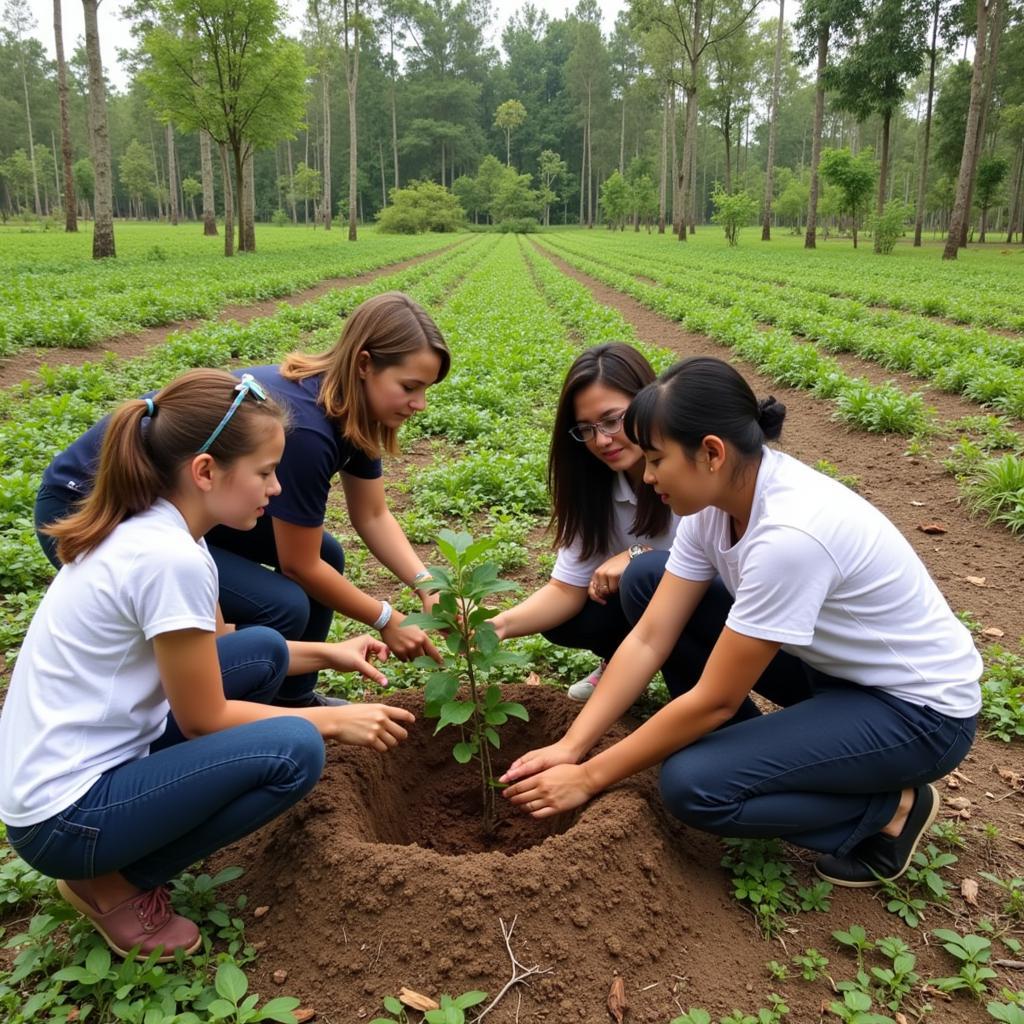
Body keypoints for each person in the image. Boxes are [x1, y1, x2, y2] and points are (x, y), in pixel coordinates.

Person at [501, 356, 981, 888]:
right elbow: (650, 636)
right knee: (648, 578)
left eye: (657, 459)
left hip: (917, 714)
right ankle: (760, 759)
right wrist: (571, 746)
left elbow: (715, 699)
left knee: (692, 785)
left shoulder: (790, 537)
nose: (648, 474)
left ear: (711, 452)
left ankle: (891, 810)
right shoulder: (713, 504)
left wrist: (588, 777)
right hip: (838, 678)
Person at [0, 369, 416, 962]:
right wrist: (330, 723)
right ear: (204, 471)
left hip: (82, 764)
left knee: (265, 647)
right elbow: (203, 718)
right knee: (294, 751)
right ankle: (112, 885)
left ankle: (118, 850)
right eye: (265, 473)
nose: (275, 489)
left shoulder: (168, 532)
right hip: (64, 819)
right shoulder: (170, 560)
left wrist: (329, 654)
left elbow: (211, 652)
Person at [34, 291, 450, 707]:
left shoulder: (352, 408)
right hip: (88, 503)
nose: (420, 404)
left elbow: (373, 514)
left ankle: (293, 701)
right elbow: (299, 566)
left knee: (326, 552)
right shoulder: (307, 430)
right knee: (282, 606)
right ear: (364, 364)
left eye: (425, 389)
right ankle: (239, 719)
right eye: (409, 387)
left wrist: (427, 585)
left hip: (181, 500)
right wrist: (386, 619)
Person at [491, 343, 678, 702]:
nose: (602, 440)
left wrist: (637, 554)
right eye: (586, 429)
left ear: (648, 402)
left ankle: (689, 680)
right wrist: (497, 626)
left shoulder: (690, 471)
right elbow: (565, 589)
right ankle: (620, 661)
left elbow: (711, 568)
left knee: (645, 574)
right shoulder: (595, 485)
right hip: (652, 606)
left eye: (612, 420)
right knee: (564, 621)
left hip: (714, 608)